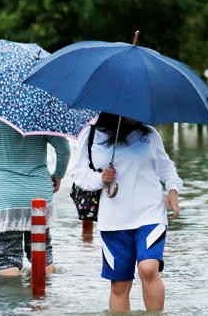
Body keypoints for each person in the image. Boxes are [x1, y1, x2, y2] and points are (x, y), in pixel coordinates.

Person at [69, 112, 181, 312]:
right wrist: (100, 179)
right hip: (113, 221)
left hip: (150, 214)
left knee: (148, 268)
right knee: (120, 285)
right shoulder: (91, 134)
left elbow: (167, 168)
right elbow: (79, 175)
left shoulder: (150, 134)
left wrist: (173, 189)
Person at [0, 116, 70, 276]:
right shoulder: (44, 118)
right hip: (38, 194)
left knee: (6, 256)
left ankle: (13, 297)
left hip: (6, 197)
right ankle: (42, 299)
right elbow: (64, 149)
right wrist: (58, 175)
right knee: (41, 253)